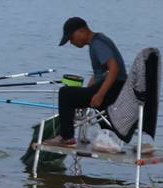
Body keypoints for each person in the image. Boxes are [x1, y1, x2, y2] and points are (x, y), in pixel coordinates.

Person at [52, 16, 124, 147]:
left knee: (65, 93)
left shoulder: (98, 44)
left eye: (71, 38)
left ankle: (67, 137)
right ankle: (108, 135)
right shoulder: (99, 41)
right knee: (79, 95)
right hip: (116, 87)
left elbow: (114, 69)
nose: (71, 43)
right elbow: (99, 74)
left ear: (81, 32)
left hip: (115, 88)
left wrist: (100, 94)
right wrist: (87, 92)